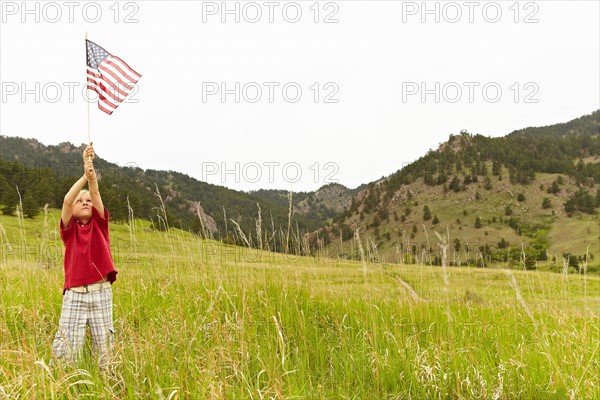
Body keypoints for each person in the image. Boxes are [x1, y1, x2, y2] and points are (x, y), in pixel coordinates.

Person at [51, 143, 118, 368]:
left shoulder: (100, 224)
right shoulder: (68, 229)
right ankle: (67, 383)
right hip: (75, 295)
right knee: (66, 349)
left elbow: (96, 193)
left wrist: (92, 178)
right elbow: (67, 201)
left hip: (101, 292)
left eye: (88, 201)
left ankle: (108, 384)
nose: (85, 203)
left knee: (105, 348)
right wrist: (83, 175)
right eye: (81, 201)